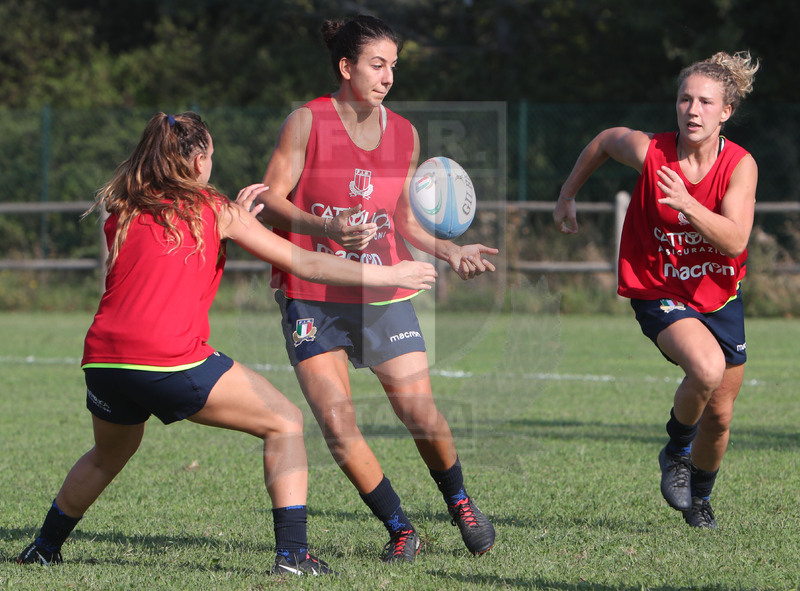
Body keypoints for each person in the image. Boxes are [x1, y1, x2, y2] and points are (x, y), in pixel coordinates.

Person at [16, 111, 437, 575]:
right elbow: (306, 263)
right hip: (169, 359)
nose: (211, 164)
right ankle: (293, 556)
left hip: (103, 361)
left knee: (107, 455)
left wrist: (238, 218)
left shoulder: (125, 209)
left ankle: (44, 547)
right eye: (210, 156)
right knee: (285, 422)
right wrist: (390, 274)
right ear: (197, 162)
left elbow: (172, 247)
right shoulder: (215, 208)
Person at [238, 15, 498, 562]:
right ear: (346, 66)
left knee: (421, 412)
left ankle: (459, 500)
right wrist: (326, 227)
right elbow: (272, 200)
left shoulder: (404, 132)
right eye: (377, 65)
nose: (387, 77)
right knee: (337, 421)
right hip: (311, 290)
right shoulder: (306, 122)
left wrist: (451, 250)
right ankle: (401, 528)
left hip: (382, 289)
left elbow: (402, 216)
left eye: (393, 67)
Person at [553, 51, 760, 529]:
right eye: (685, 99)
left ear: (725, 112)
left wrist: (688, 204)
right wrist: (567, 193)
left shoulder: (739, 165)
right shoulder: (652, 152)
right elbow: (606, 140)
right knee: (706, 368)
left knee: (722, 414)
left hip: (720, 294)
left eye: (706, 102)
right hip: (659, 286)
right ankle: (676, 450)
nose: (693, 110)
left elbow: (734, 240)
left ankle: (700, 499)